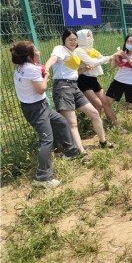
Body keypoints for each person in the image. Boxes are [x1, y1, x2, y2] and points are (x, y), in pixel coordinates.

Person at [11, 41, 79, 188]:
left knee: (61, 122)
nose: (38, 52)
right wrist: (46, 75)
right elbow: (41, 89)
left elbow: (34, 76)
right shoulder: (31, 69)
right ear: (29, 56)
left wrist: (40, 70)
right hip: (36, 108)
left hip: (36, 106)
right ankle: (42, 178)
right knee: (46, 139)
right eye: (35, 50)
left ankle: (70, 152)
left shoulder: (20, 66)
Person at [45, 28, 113, 154]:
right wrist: (47, 68)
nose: (73, 41)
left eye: (75, 39)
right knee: (72, 123)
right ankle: (81, 152)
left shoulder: (74, 52)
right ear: (64, 40)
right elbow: (53, 59)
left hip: (74, 86)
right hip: (62, 87)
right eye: (70, 39)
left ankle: (103, 142)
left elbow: (73, 72)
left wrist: (84, 70)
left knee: (94, 113)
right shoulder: (60, 49)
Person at [75, 29, 119, 126]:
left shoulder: (92, 50)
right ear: (81, 38)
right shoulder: (78, 50)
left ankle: (116, 126)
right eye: (88, 36)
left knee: (106, 103)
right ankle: (98, 128)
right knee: (97, 104)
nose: (91, 38)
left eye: (91, 35)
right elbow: (92, 63)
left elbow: (102, 58)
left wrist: (114, 56)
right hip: (83, 80)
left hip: (93, 80)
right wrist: (108, 58)